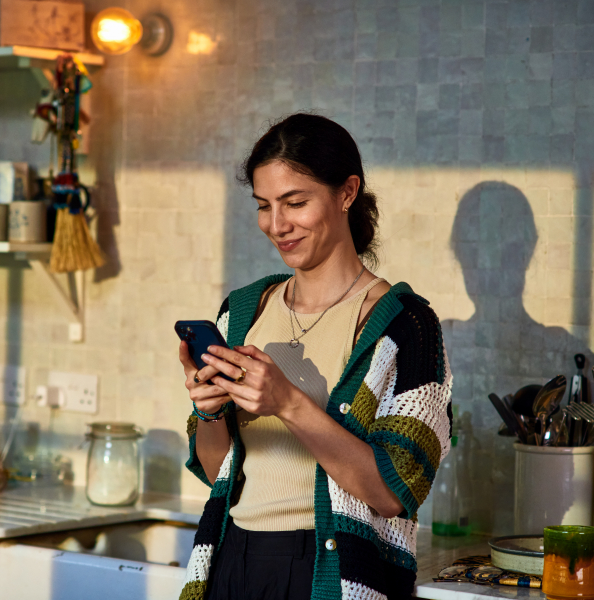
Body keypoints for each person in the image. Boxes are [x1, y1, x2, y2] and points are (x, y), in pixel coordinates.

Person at [177, 113, 453, 600]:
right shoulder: (242, 313)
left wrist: (288, 402)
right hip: (231, 560)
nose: (277, 225)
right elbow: (216, 465)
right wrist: (209, 409)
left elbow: (395, 492)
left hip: (331, 572)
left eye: (295, 202)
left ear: (347, 192)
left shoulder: (405, 326)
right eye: (264, 206)